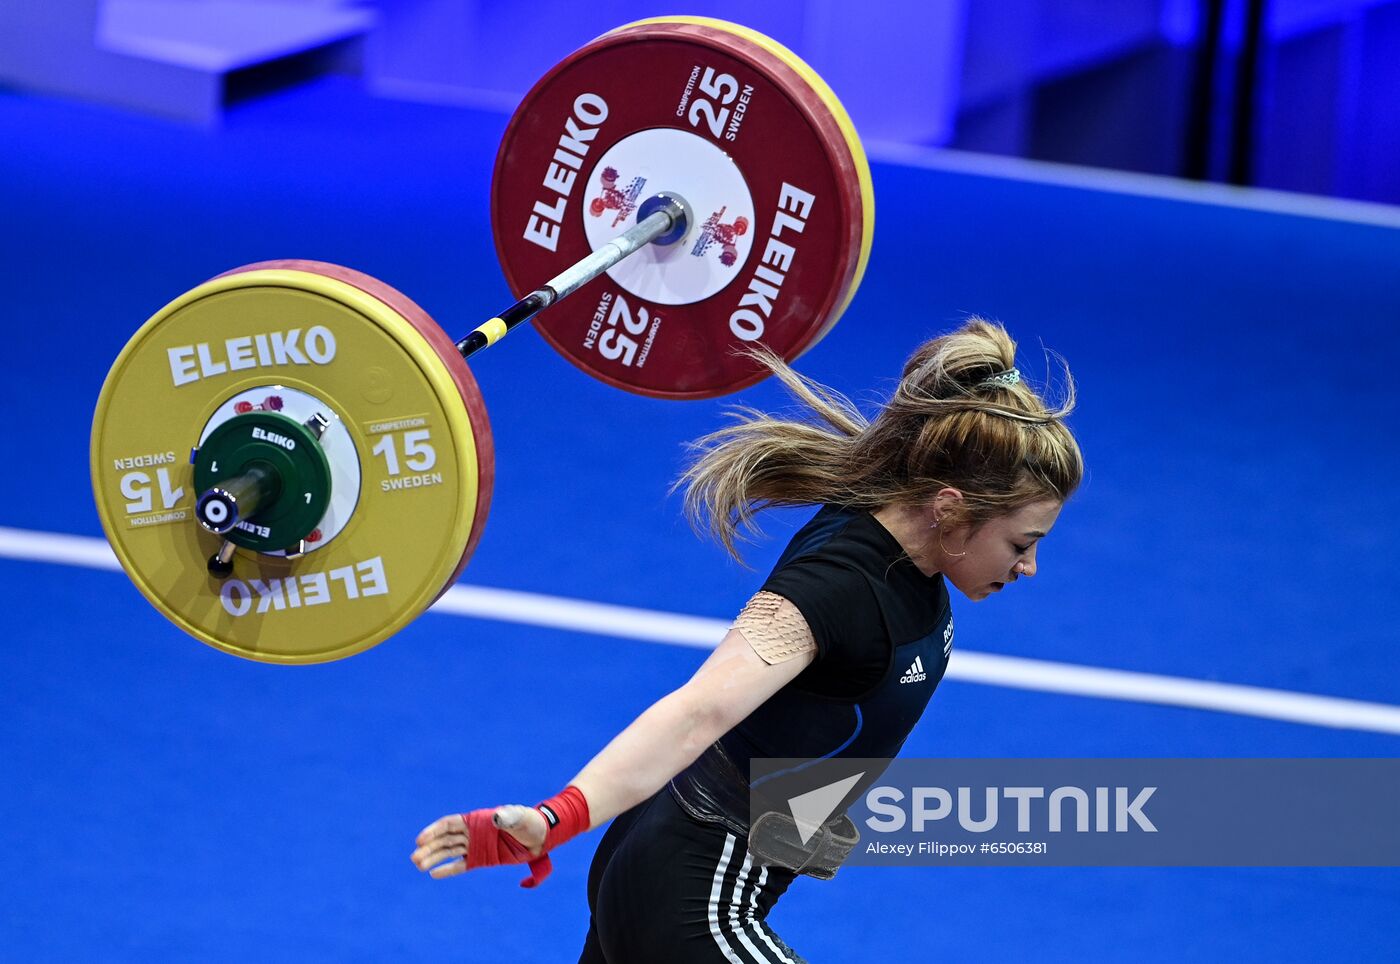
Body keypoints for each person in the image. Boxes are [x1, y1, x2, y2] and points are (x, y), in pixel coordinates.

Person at [411, 318, 1084, 962]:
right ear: (950, 509)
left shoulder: (905, 550)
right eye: (1022, 544)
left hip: (676, 867)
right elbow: (698, 711)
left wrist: (806, 815)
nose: (1027, 569)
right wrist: (554, 819)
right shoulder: (841, 585)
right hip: (690, 895)